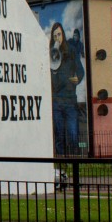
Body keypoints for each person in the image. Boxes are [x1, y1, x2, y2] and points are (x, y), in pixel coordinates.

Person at [49, 23, 84, 156]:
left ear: (63, 34)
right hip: (56, 100)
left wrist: (78, 79)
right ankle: (62, 162)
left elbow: (80, 70)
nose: (57, 38)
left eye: (59, 34)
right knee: (59, 135)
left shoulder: (71, 50)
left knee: (73, 133)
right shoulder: (51, 53)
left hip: (70, 100)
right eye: (54, 36)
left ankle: (75, 162)